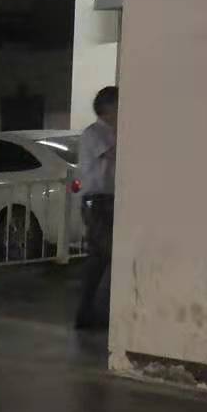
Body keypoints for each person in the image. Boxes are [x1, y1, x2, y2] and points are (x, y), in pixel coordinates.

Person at [76, 85, 118, 330]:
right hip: (97, 201)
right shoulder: (94, 133)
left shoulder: (111, 132)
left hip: (109, 199)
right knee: (102, 256)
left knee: (103, 257)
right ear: (108, 107)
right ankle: (88, 312)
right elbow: (114, 155)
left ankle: (93, 312)